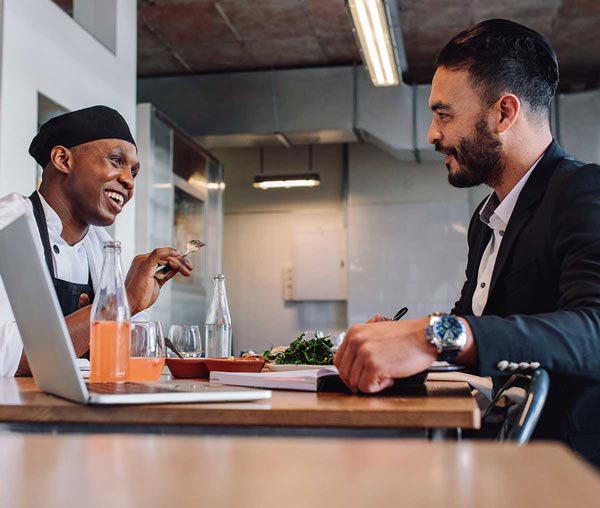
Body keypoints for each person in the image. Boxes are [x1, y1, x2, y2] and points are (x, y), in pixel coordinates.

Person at [335, 19, 600, 466]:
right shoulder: (487, 220)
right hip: (507, 460)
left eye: (444, 115)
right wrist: (401, 341)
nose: (432, 135)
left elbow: (593, 330)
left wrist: (432, 335)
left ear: (503, 113)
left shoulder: (583, 192)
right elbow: (473, 324)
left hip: (571, 470)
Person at [0, 105, 193, 377]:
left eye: (134, 172)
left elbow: (137, 358)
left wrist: (131, 308)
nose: (128, 181)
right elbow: (7, 356)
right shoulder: (7, 227)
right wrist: (121, 301)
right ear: (62, 159)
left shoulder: (104, 249)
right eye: (116, 160)